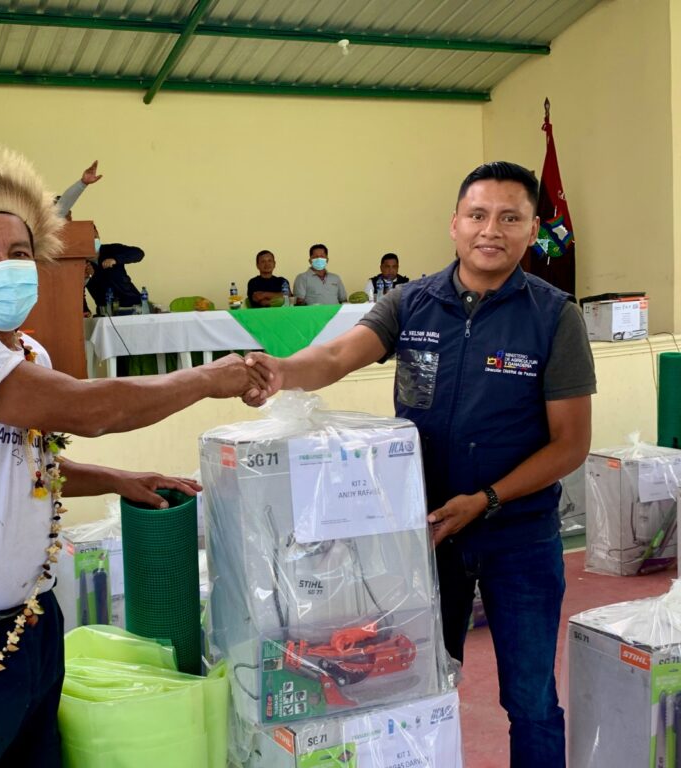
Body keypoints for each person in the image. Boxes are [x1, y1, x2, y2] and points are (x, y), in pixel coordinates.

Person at [0, 142, 255, 768]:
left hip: (28, 619)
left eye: (19, 253)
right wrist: (208, 379)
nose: (8, 266)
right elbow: (91, 410)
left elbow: (26, 465)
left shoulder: (27, 351)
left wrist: (117, 479)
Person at [244, 162, 596, 768]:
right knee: (415, 688)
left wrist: (485, 500)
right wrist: (276, 370)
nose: (492, 230)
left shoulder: (552, 315)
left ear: (532, 229)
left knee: (531, 697)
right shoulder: (414, 302)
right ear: (455, 223)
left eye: (510, 218)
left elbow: (570, 445)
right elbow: (335, 356)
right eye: (478, 215)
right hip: (426, 537)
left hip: (520, 537)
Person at [85, 240, 144, 313]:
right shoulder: (80, 262)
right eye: (90, 237)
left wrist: (116, 259)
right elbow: (77, 289)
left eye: (95, 236)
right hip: (106, 310)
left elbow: (138, 253)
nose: (94, 240)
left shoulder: (111, 249)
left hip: (131, 304)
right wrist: (85, 310)